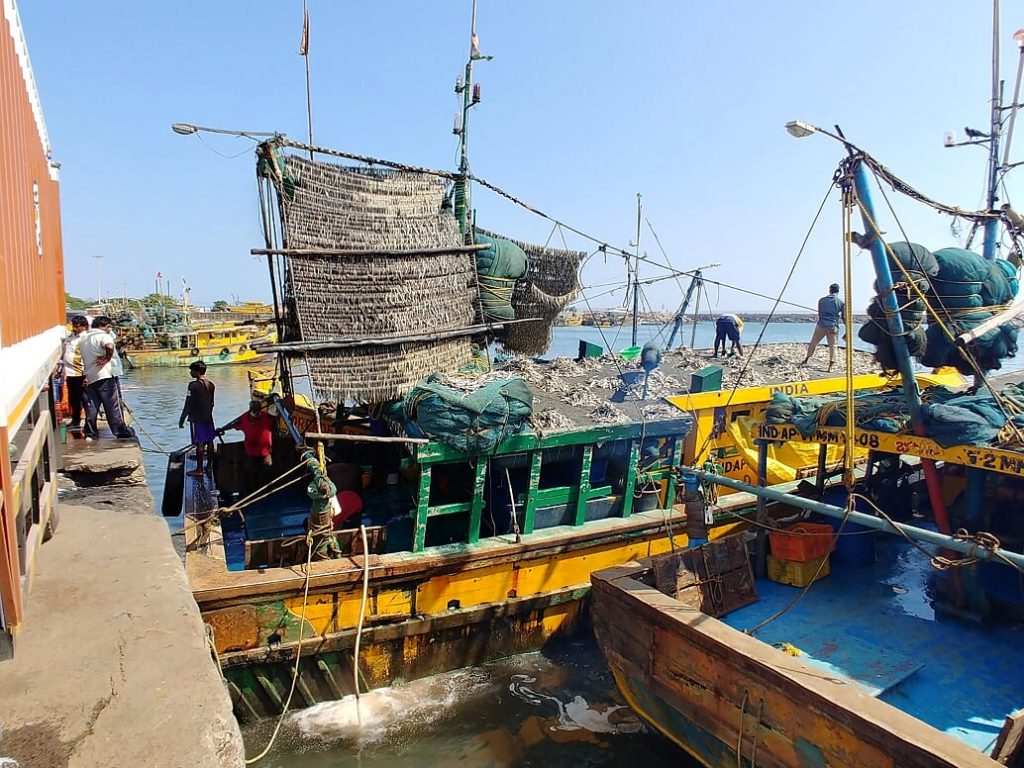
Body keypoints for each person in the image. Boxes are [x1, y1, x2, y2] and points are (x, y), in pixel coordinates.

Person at [80, 316, 134, 439]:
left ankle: (90, 432)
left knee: (92, 405)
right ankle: (120, 431)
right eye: (109, 326)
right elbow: (109, 346)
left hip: (91, 375)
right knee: (112, 405)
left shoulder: (84, 338)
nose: (110, 329)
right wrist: (107, 358)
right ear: (103, 326)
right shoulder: (103, 335)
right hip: (106, 375)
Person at [178, 361, 216, 476]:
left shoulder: (193, 386)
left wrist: (182, 418)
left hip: (197, 418)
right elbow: (212, 402)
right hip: (208, 417)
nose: (190, 372)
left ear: (197, 372)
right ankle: (209, 466)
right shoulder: (211, 385)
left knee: (199, 443)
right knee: (210, 441)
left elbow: (188, 403)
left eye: (192, 370)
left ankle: (199, 470)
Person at [231, 400, 274, 493]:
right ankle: (250, 492)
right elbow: (234, 424)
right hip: (250, 452)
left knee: (266, 472)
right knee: (249, 472)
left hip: (265, 452)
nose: (256, 413)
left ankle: (266, 491)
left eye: (257, 411)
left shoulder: (268, 418)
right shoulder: (244, 418)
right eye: (254, 411)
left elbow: (276, 424)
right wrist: (221, 430)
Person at [802, 283, 845, 371]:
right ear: (838, 291)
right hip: (833, 326)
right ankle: (830, 367)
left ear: (830, 290)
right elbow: (844, 316)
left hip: (821, 325)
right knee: (833, 346)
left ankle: (806, 359)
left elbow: (820, 313)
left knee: (813, 342)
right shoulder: (841, 302)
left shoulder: (821, 300)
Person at [62, 316, 91, 435]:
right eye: (74, 325)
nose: (75, 328)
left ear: (84, 326)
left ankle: (89, 424)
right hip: (70, 372)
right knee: (73, 399)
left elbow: (89, 357)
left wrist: (87, 375)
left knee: (85, 400)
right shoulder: (71, 337)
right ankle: (75, 420)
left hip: (81, 373)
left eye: (77, 326)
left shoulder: (85, 338)